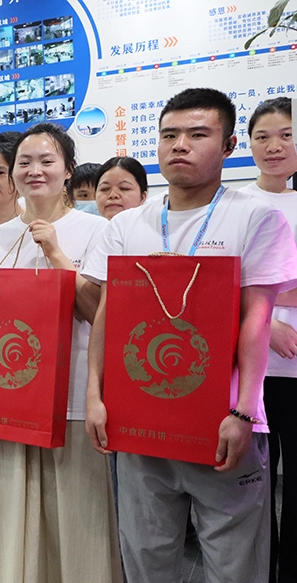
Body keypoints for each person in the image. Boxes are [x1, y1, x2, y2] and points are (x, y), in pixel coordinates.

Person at [83, 87, 297, 582]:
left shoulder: (254, 217)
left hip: (221, 423)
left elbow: (257, 319)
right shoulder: (126, 225)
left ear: (226, 148)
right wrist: (95, 397)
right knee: (145, 555)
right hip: (138, 421)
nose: (179, 144)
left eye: (198, 134)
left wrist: (245, 410)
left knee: (235, 561)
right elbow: (108, 319)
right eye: (169, 135)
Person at [0, 123, 121, 583]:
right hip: (5, 395)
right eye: (24, 163)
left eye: (47, 161)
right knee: (5, 512)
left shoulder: (95, 230)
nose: (34, 171)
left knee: (76, 516)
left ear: (68, 170)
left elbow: (98, 313)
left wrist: (56, 254)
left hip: (71, 394)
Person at [237, 96, 297, 583]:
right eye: (263, 136)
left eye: (286, 135)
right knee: (252, 486)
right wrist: (267, 321)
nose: (275, 146)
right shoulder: (237, 203)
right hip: (251, 371)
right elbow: (221, 284)